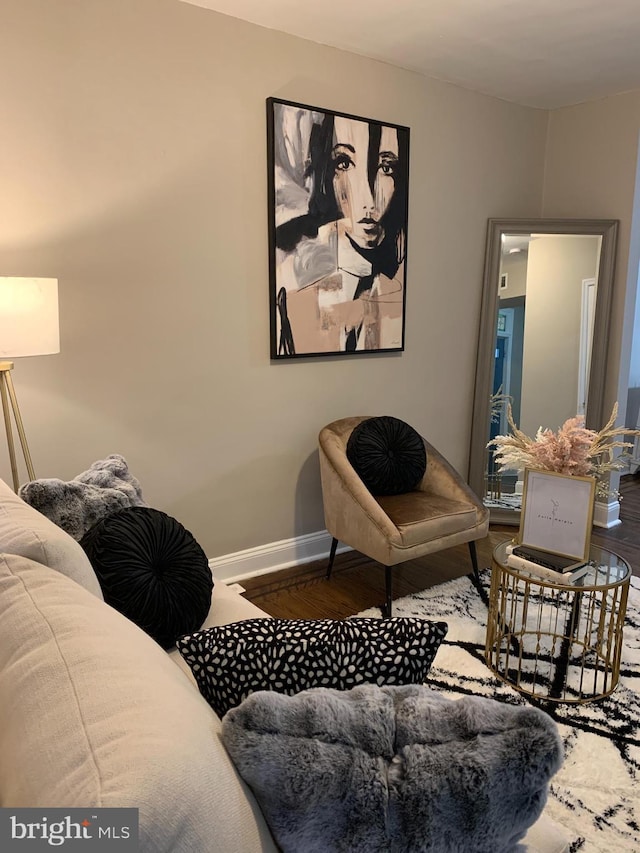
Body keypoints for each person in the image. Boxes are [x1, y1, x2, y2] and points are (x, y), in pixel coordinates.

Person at [273, 107, 409, 355]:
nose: (369, 199)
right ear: (325, 171)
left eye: (385, 168)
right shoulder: (294, 288)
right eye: (344, 163)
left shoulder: (395, 286)